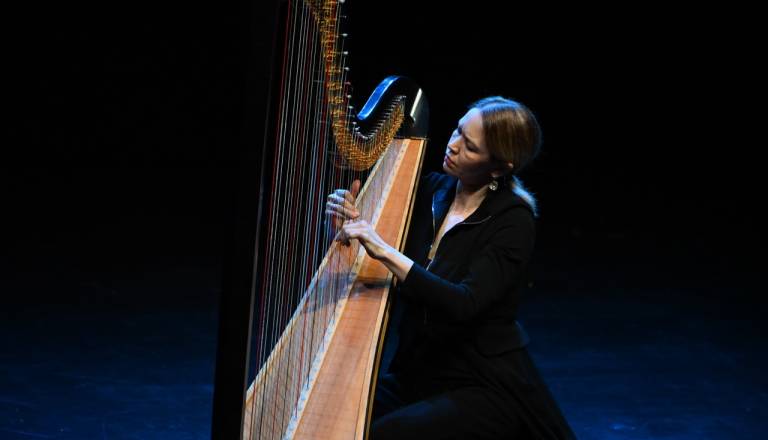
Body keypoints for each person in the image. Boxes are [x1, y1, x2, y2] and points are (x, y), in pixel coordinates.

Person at [325, 96, 576, 439]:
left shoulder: (513, 221)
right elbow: (381, 264)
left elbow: (463, 303)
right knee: (336, 416)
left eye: (469, 147)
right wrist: (346, 226)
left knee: (387, 435)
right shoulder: (431, 190)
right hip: (417, 371)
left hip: (478, 382)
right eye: (458, 130)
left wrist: (381, 248)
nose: (453, 146)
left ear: (498, 168)